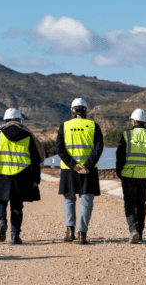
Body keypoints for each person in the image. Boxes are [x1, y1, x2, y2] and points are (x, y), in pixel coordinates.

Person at [0, 108, 43, 244]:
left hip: (1, 173)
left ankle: (2, 221)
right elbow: (36, 159)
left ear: (6, 120)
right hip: (21, 175)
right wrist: (36, 179)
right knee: (17, 206)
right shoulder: (28, 134)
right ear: (19, 120)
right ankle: (15, 236)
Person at [55, 98, 104, 245]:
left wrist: (73, 165)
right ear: (86, 111)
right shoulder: (94, 126)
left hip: (69, 170)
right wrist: (87, 165)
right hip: (89, 170)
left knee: (69, 199)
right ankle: (82, 234)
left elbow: (59, 149)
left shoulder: (64, 126)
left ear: (72, 111)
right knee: (86, 201)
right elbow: (98, 148)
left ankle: (70, 232)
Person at [116, 109, 146, 244]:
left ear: (134, 121)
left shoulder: (126, 135)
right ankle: (140, 233)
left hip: (128, 175)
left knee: (130, 204)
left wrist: (119, 172)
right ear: (145, 122)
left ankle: (133, 230)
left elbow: (120, 156)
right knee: (141, 204)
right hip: (144, 176)